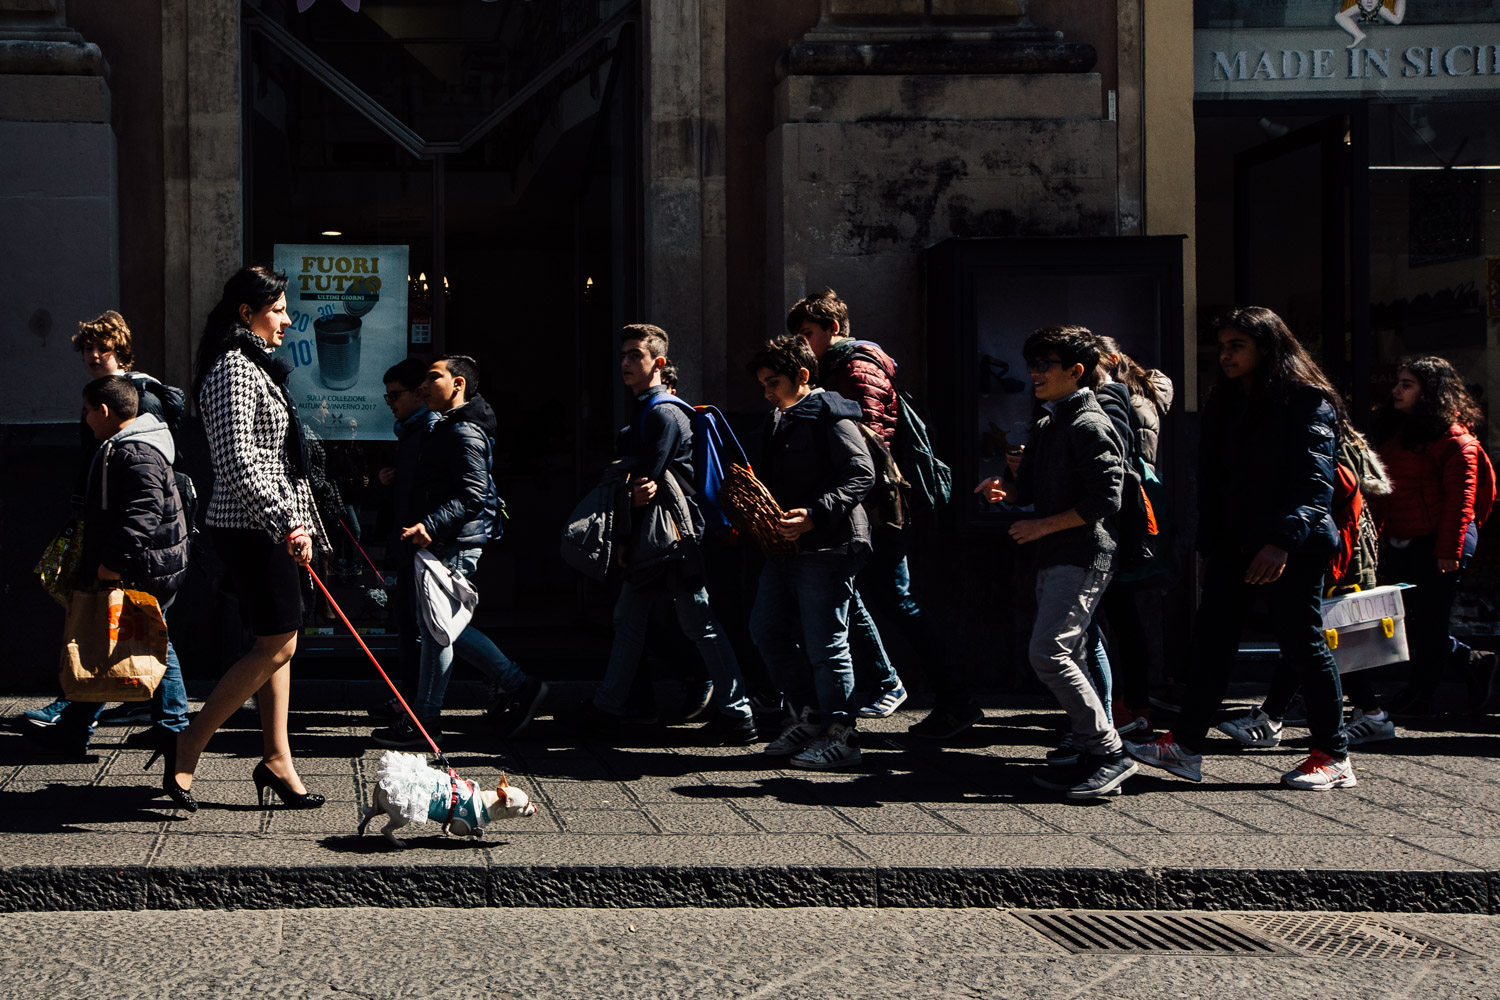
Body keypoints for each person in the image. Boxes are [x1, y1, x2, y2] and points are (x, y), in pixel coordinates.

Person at [1127, 307, 1354, 791]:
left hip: (1293, 545)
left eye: (1237, 346)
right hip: (1235, 542)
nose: (1225, 355)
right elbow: (1215, 483)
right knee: (1212, 641)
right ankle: (1185, 746)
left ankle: (1333, 755)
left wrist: (1281, 543)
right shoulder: (1227, 399)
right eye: (1223, 346)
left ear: (1267, 349)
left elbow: (1314, 484)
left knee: (1303, 643)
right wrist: (1210, 549)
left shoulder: (1306, 399)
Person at [162, 264, 327, 813]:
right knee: (279, 644)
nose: (287, 320)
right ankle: (189, 741)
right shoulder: (234, 367)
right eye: (277, 310)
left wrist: (298, 519)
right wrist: (288, 522)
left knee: (276, 642)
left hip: (264, 524)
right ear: (246, 313)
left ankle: (277, 759)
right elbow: (238, 463)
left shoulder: (253, 365)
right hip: (251, 527)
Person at [563, 325, 755, 745]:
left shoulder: (662, 413)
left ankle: (738, 713)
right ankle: (609, 706)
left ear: (659, 363)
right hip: (663, 537)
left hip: (671, 539)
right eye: (624, 355)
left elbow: (646, 486)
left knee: (698, 622)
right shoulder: (653, 409)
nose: (626, 363)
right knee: (631, 621)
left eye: (636, 355)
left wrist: (625, 539)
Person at [789, 290, 969, 735]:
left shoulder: (857, 368)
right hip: (865, 505)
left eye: (807, 333)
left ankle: (954, 700)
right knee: (867, 596)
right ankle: (891, 685)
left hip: (878, 507)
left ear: (833, 328)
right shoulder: (839, 367)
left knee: (898, 600)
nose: (802, 343)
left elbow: (868, 441)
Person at [975, 325, 1136, 800]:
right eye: (1032, 363)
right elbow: (1034, 491)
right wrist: (1007, 491)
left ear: (1076, 371)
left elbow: (1107, 499)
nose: (1034, 373)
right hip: (1058, 555)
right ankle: (1090, 749)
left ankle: (1109, 752)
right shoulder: (1051, 422)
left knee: (1049, 653)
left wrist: (1041, 527)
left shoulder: (1089, 423)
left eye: (1045, 365)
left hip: (1082, 555)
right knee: (1073, 653)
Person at [23, 311, 189, 731]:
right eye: (87, 348)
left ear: (122, 351)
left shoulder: (136, 401)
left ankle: (156, 722)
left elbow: (145, 491)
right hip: (114, 529)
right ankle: (121, 718)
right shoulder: (100, 397)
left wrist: (116, 552)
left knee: (135, 625)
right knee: (127, 624)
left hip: (137, 543)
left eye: (104, 348)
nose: (94, 356)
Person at [371, 355, 547, 747]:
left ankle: (429, 718)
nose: (423, 386)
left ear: (459, 384)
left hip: (453, 542)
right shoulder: (448, 426)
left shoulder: (463, 430)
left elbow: (473, 494)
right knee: (439, 626)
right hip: (446, 540)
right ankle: (515, 686)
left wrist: (430, 525)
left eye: (433, 378)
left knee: (439, 628)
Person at [749, 335, 875, 769]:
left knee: (826, 645)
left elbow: (861, 473)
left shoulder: (830, 413)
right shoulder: (779, 418)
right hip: (786, 545)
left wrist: (815, 514)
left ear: (802, 376)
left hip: (830, 544)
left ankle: (843, 736)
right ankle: (811, 717)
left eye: (774, 382)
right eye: (763, 384)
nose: (768, 392)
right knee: (767, 630)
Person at [1375, 355, 1496, 718]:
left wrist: (1449, 551)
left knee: (1428, 623)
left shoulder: (1456, 440)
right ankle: (1472, 662)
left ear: (1430, 392)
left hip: (1438, 543)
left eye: (1407, 384)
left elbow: (1462, 503)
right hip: (1408, 540)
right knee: (1414, 622)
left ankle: (1421, 694)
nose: (1396, 390)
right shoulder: (1403, 433)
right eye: (1398, 382)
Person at [1094, 335, 1175, 739]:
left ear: (1110, 360)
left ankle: (1122, 708)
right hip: (1145, 504)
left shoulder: (1117, 397)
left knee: (1114, 615)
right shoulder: (1147, 390)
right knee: (1126, 616)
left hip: (1124, 508)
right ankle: (1135, 704)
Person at [369, 359, 440, 714]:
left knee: (428, 627)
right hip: (408, 540)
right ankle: (410, 699)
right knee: (411, 624)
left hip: (424, 542)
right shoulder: (409, 432)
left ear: (418, 393)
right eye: (387, 396)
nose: (390, 403)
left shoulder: (431, 431)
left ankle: (511, 679)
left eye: (395, 395)